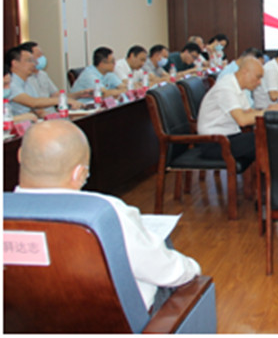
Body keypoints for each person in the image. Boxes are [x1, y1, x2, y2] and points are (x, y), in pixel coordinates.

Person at [14, 119, 201, 312]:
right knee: (163, 252)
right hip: (109, 320)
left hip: (24, 320)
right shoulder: (105, 213)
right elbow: (167, 272)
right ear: (80, 173)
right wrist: (192, 268)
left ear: (20, 156)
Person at [197, 56, 278, 165]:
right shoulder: (226, 88)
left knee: (269, 136)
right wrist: (268, 112)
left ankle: (268, 174)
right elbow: (242, 120)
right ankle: (271, 175)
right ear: (245, 72)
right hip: (214, 142)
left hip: (228, 137)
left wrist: (268, 110)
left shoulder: (237, 86)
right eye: (258, 77)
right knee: (266, 140)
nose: (259, 82)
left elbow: (249, 112)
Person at [6, 46, 81, 116]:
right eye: (29, 61)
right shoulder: (10, 83)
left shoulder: (27, 82)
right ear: (15, 63)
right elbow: (33, 102)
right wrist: (62, 100)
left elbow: (39, 110)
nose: (34, 64)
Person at [18, 41, 89, 104]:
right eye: (39, 55)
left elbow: (56, 95)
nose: (42, 58)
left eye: (42, 55)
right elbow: (33, 103)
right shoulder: (24, 78)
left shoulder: (43, 74)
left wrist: (80, 94)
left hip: (52, 111)